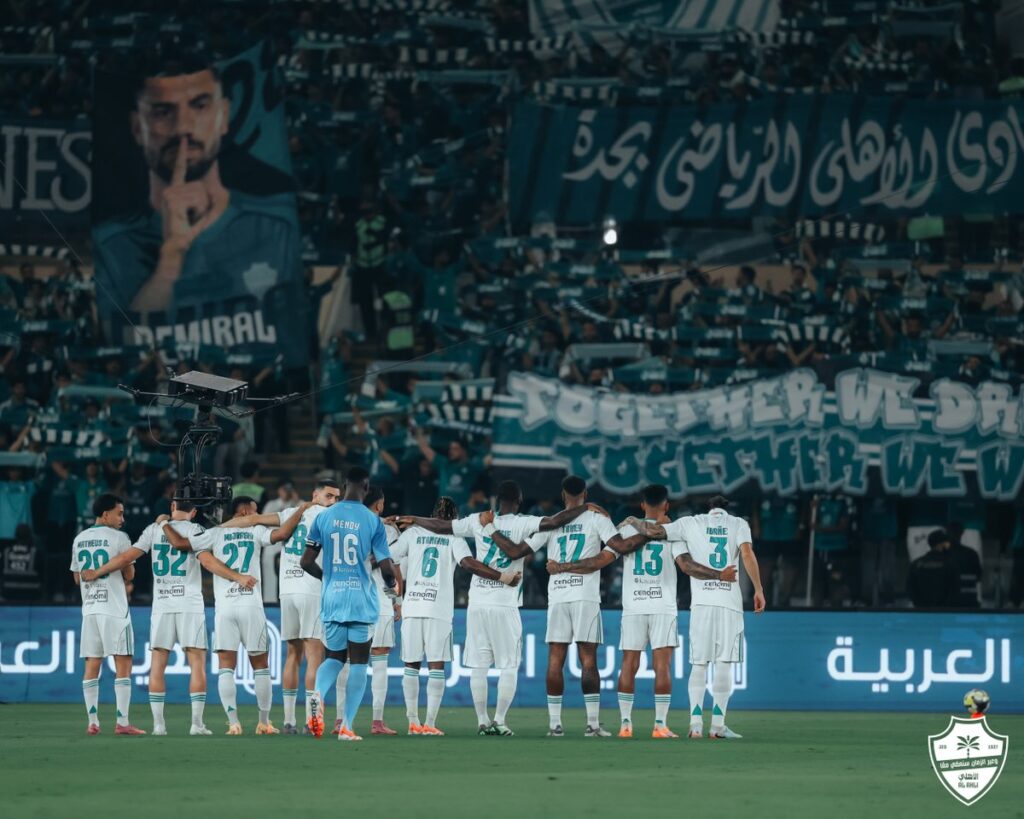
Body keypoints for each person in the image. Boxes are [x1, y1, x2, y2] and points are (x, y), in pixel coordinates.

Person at [92, 55, 302, 338]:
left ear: (223, 116)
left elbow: (291, 339)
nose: (183, 128)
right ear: (137, 128)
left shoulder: (277, 230)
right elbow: (125, 347)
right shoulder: (110, 247)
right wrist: (170, 262)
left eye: (200, 106)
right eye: (162, 112)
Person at [398, 479, 597, 735]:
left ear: (497, 501)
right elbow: (555, 521)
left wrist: (414, 519)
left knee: (479, 666)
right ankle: (500, 720)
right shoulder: (524, 522)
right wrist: (585, 507)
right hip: (506, 602)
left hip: (478, 602)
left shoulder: (476, 520)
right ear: (519, 500)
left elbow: (442, 526)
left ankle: (482, 721)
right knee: (509, 666)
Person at [547, 485, 737, 739]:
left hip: (633, 606)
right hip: (663, 607)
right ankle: (660, 725)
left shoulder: (626, 530)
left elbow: (601, 560)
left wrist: (563, 567)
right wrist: (719, 575)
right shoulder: (672, 531)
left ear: (642, 505)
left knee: (629, 664)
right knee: (662, 666)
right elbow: (687, 566)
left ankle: (625, 725)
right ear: (666, 505)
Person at [81, 499, 257, 736]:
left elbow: (125, 558)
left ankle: (159, 726)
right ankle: (196, 724)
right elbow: (206, 561)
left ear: (173, 506)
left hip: (162, 604)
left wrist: (97, 572)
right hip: (189, 604)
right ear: (193, 511)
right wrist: (236, 577)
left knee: (157, 666)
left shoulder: (153, 529)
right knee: (196, 663)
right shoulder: (196, 529)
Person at [162, 497, 305, 734]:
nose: (257, 515)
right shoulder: (256, 530)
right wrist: (301, 510)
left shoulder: (215, 533)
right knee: (260, 666)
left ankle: (234, 723)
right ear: (246, 511)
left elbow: (180, 544)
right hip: (251, 605)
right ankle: (264, 722)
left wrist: (163, 524)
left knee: (226, 667)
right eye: (255, 511)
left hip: (225, 607)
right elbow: (281, 534)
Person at [630, 495, 764, 740]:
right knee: (724, 663)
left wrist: (631, 520)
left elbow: (653, 531)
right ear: (726, 509)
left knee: (699, 664)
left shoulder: (690, 522)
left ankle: (695, 725)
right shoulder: (738, 524)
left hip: (701, 604)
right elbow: (747, 554)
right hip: (729, 603)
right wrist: (758, 589)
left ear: (709, 509)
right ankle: (718, 726)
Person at [392, 497, 521, 735]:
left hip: (413, 606)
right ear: (454, 519)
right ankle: (430, 723)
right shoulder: (454, 537)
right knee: (436, 666)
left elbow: (389, 558)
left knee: (411, 665)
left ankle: (413, 721)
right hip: (438, 609)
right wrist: (502, 577)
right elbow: (469, 564)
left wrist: (394, 594)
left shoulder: (412, 534)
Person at [301, 467, 399, 741]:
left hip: (333, 597)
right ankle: (346, 727)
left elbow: (306, 562)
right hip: (360, 600)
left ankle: (317, 695)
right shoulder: (373, 521)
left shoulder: (323, 517)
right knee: (358, 663)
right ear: (366, 488)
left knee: (334, 657)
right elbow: (386, 567)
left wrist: (328, 578)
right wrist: (391, 585)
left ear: (344, 486)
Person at [70, 494, 145, 736]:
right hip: (114, 609)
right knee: (123, 661)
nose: (122, 518)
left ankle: (92, 721)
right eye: (119, 513)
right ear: (105, 514)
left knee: (92, 663)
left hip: (90, 608)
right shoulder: (120, 538)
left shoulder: (79, 539)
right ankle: (122, 722)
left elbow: (77, 578)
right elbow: (129, 575)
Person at [334, 485, 404, 736]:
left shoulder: (342, 525)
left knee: (347, 658)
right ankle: (377, 721)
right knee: (380, 657)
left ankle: (340, 719)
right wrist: (397, 600)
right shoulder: (387, 530)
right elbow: (394, 567)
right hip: (379, 601)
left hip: (348, 597)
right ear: (379, 504)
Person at [908, 529, 959, 608]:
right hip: (944, 612)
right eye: (946, 542)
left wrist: (920, 606)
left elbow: (910, 590)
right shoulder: (950, 564)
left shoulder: (916, 564)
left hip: (922, 611)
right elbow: (955, 590)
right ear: (939, 545)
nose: (949, 545)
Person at [946, 521, 982, 608]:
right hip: (968, 600)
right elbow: (978, 576)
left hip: (947, 602)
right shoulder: (971, 553)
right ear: (962, 533)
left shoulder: (942, 554)